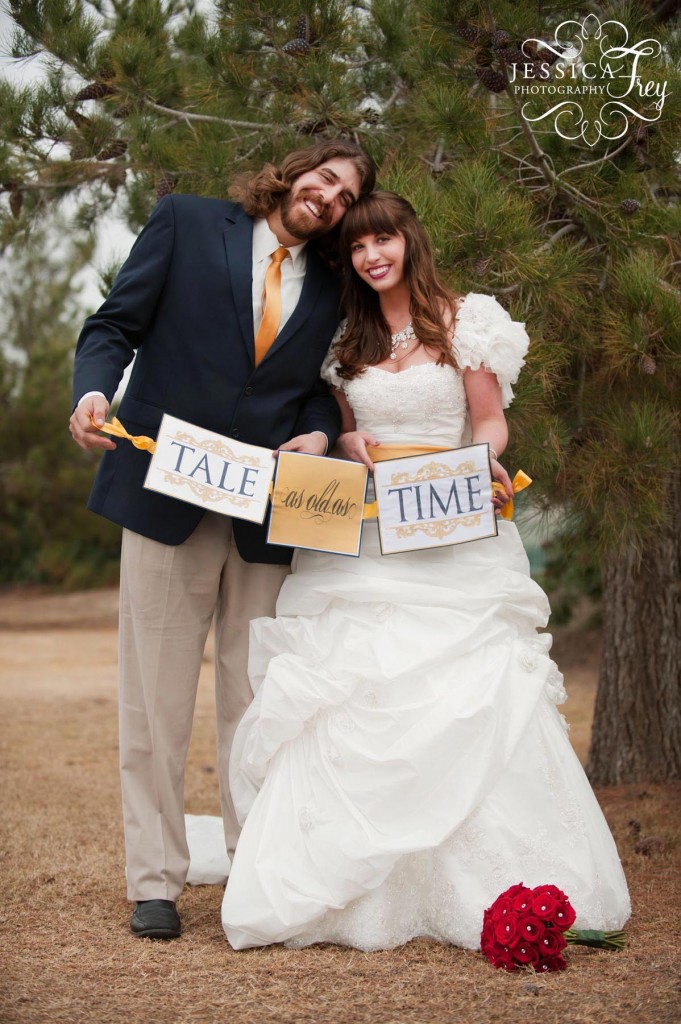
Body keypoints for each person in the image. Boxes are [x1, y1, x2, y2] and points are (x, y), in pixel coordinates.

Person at [220, 191, 631, 951]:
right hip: (370, 530)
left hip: (450, 521)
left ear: (407, 239)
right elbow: (345, 428)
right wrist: (346, 444)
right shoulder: (346, 335)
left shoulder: (467, 321)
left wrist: (483, 464)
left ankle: (486, 877)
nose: (372, 257)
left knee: (467, 686)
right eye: (358, 249)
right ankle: (350, 887)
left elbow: (486, 419)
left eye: (382, 241)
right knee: (358, 683)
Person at [68, 139, 377, 939]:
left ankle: (255, 870)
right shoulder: (184, 222)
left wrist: (314, 434)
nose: (331, 198)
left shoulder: (335, 284)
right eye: (326, 179)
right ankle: (155, 882)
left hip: (266, 516)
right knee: (154, 701)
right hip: (163, 495)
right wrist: (94, 391)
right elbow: (114, 324)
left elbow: (317, 391)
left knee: (255, 702)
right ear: (295, 169)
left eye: (346, 197)